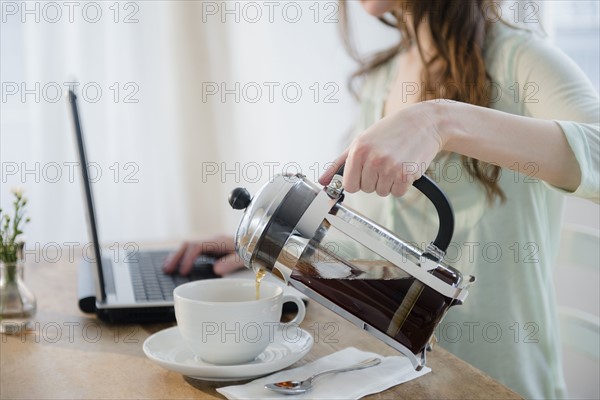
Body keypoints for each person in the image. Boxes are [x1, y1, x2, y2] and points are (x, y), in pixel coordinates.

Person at [164, 1, 599, 398]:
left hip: (493, 385)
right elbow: (382, 246)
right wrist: (277, 244)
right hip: (396, 380)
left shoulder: (519, 60)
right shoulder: (383, 78)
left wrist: (440, 119)